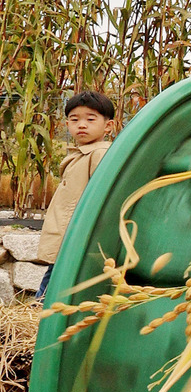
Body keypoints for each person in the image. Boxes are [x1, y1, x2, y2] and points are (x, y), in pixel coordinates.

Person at [34, 89, 116, 294]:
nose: (81, 124)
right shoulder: (81, 154)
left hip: (76, 235)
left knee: (54, 284)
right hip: (68, 234)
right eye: (74, 119)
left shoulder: (100, 154)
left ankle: (43, 314)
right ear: (67, 124)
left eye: (90, 119)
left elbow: (104, 196)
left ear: (108, 126)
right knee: (55, 278)